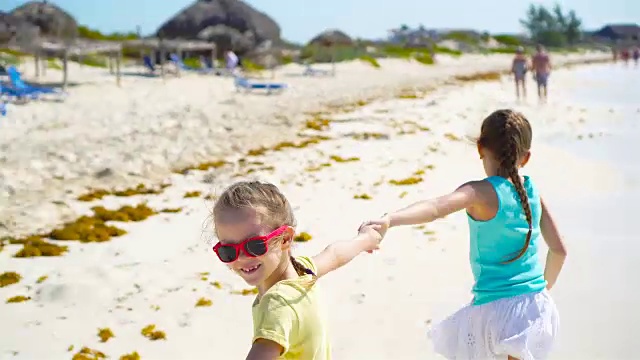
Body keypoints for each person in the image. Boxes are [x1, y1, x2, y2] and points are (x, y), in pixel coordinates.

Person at [362, 109, 567, 360]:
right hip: (537, 309)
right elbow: (559, 250)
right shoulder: (532, 191)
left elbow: (436, 207)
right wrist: (542, 291)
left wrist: (390, 220)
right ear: (526, 158)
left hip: (498, 312)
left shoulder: (479, 193)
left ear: (481, 148)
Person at [211, 180, 383, 360]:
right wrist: (365, 239)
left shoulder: (276, 304)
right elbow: (334, 255)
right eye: (228, 251)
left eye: (255, 246)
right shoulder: (302, 271)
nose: (242, 258)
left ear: (285, 238)